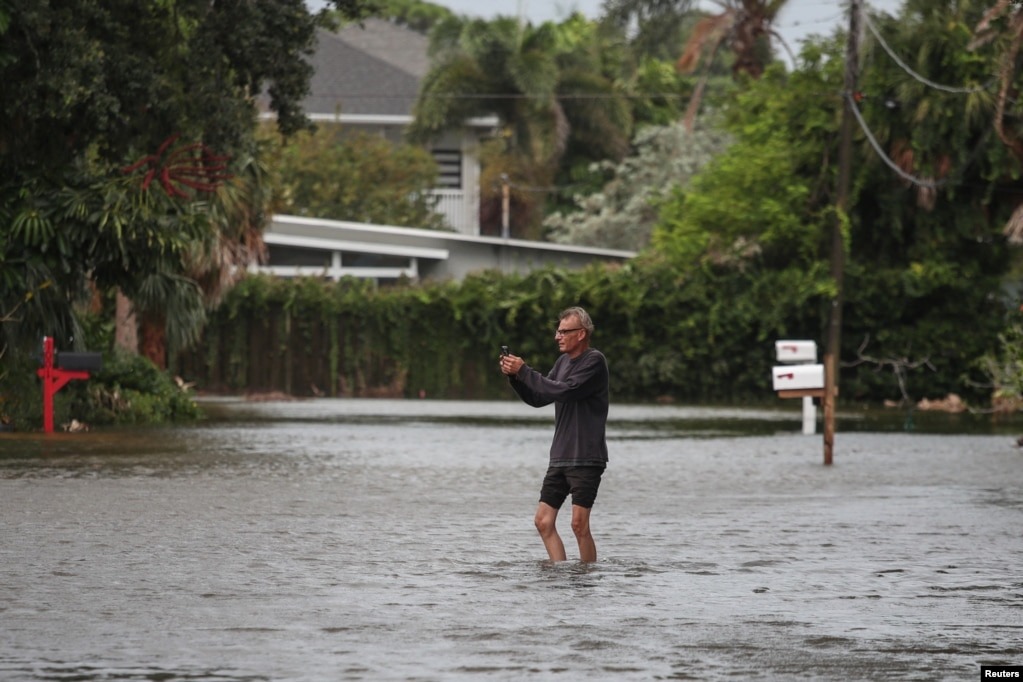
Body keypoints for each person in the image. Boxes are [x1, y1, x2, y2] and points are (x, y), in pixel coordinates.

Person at [499, 306, 609, 563]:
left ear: (581, 334)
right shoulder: (561, 362)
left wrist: (525, 370)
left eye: (564, 331)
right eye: (557, 331)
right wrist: (516, 378)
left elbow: (565, 391)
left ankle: (585, 578)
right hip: (560, 457)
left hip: (586, 457)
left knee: (579, 525)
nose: (557, 336)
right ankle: (560, 574)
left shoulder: (594, 361)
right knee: (543, 522)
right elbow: (540, 397)